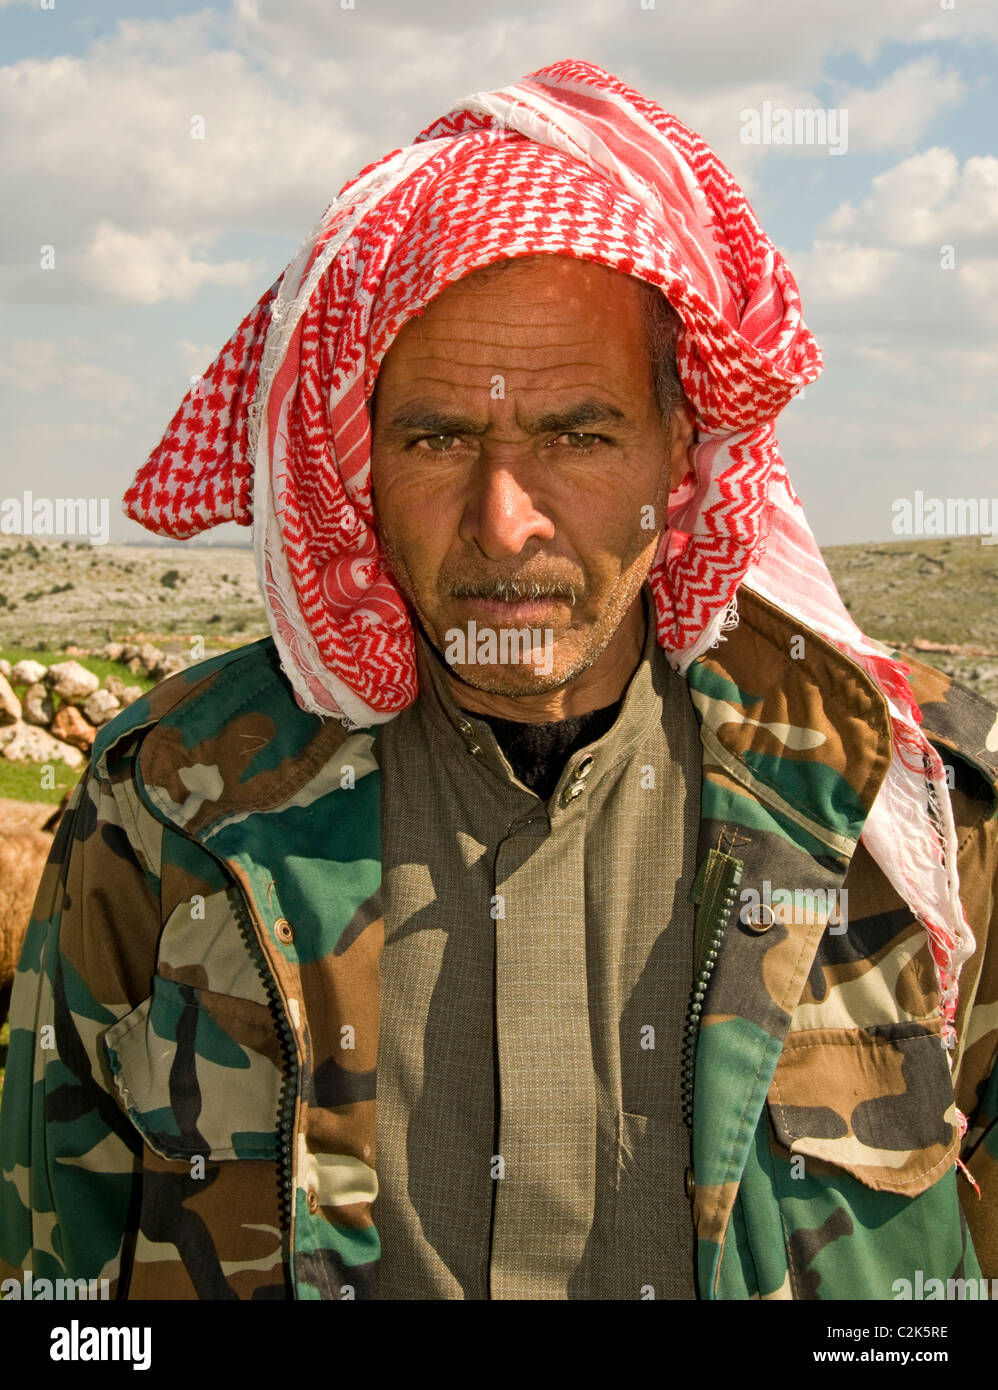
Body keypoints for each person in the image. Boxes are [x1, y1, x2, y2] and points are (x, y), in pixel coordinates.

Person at [2, 59, 997, 1302]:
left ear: (682, 446)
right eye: (438, 438)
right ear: (355, 453)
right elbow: (59, 1291)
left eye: (579, 436)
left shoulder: (917, 809)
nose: (504, 518)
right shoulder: (167, 810)